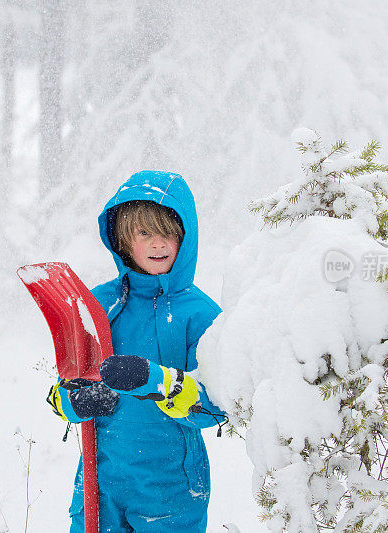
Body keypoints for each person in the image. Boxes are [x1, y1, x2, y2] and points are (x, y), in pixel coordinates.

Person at [47, 170, 227, 532]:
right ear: (123, 240)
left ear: (185, 238)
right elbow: (61, 388)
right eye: (144, 233)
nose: (158, 244)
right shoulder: (99, 305)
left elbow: (215, 405)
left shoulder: (201, 315)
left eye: (168, 233)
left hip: (170, 490)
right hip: (100, 484)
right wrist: (73, 402)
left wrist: (158, 380)